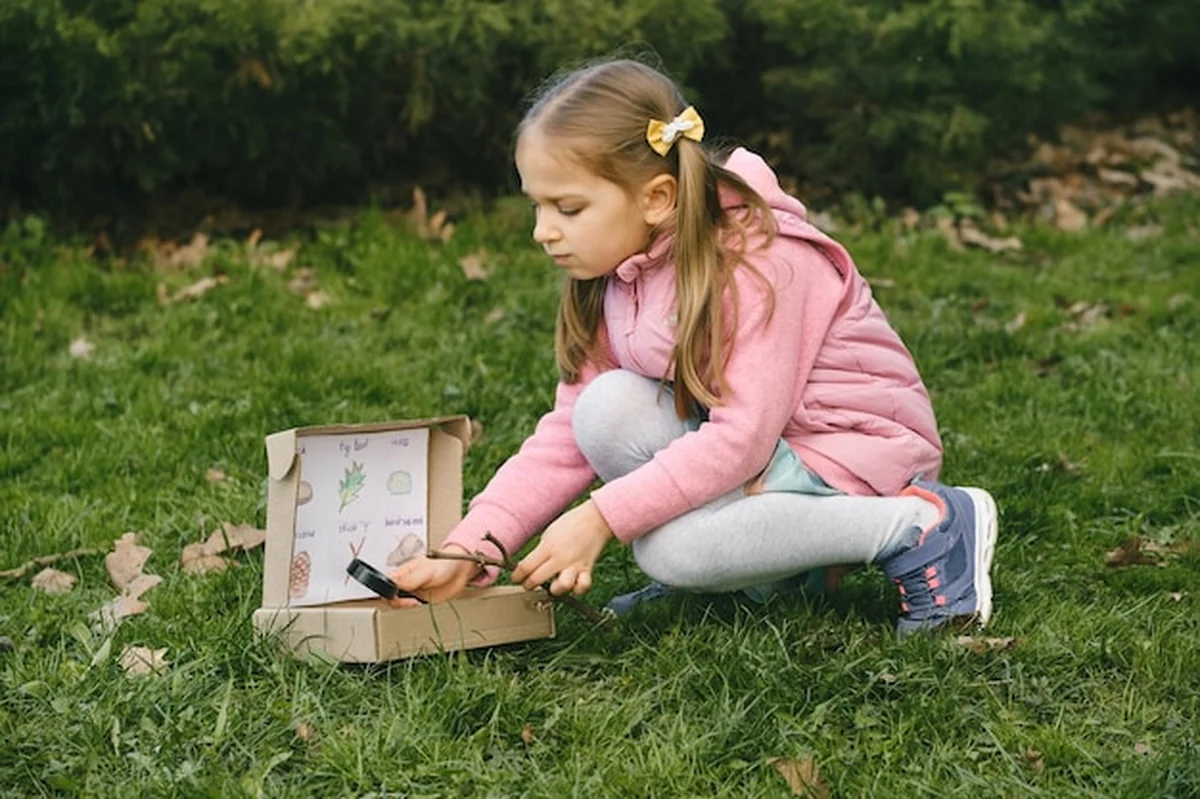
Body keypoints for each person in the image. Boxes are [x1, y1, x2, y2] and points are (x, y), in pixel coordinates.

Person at [391, 58, 998, 633]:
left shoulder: (761, 264)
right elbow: (568, 434)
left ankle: (922, 526)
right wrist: (473, 547)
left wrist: (602, 516)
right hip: (775, 455)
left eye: (567, 208)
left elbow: (742, 437)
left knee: (669, 548)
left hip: (856, 453)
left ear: (656, 198)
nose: (542, 231)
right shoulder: (619, 273)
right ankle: (769, 574)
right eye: (537, 206)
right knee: (603, 408)